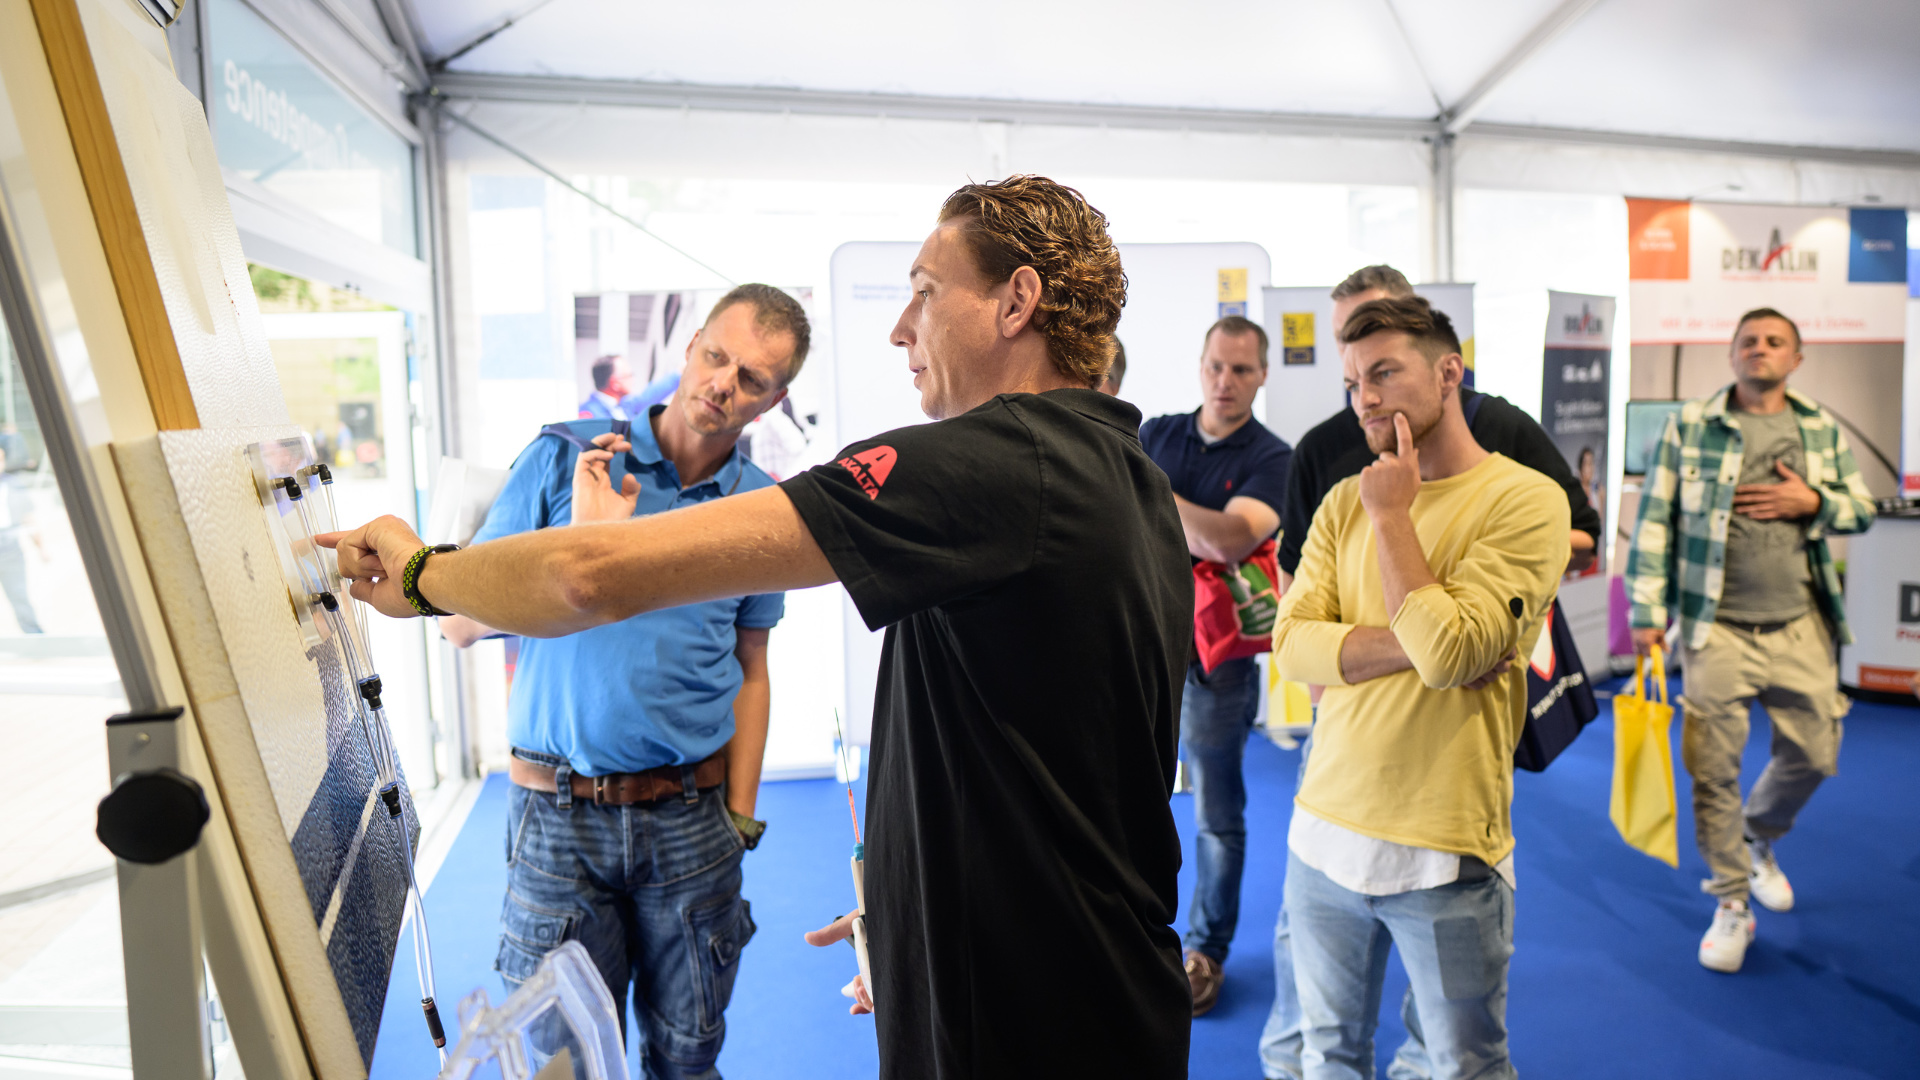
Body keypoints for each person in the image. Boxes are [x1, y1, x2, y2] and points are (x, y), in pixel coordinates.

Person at [322, 175, 1193, 1079]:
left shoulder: (995, 463)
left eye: (926, 293)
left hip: (1039, 1017)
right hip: (1067, 976)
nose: (902, 328)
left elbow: (587, 576)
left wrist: (423, 573)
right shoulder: (1122, 475)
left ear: (1017, 300)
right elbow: (1066, 751)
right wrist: (924, 911)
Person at [439, 284, 810, 1080]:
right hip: (556, 818)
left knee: (688, 1057)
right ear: (690, 348)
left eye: (751, 379)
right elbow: (460, 622)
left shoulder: (763, 510)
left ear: (776, 400)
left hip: (691, 817)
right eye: (716, 357)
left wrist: (739, 819)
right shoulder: (567, 458)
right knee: (562, 1066)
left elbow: (753, 667)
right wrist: (579, 546)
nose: (723, 385)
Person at [1260, 266, 1600, 1078]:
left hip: (1444, 852)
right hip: (1322, 833)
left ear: (1449, 370)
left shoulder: (1526, 502)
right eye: (1352, 384)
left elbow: (1450, 655)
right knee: (1326, 1054)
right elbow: (1293, 644)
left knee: (1459, 1065)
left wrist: (1393, 516)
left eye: (1384, 373)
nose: (1366, 399)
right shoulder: (1343, 496)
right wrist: (1420, 643)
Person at [1625, 307, 1874, 974]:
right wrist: (1645, 607)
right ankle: (1732, 900)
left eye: (1774, 342)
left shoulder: (1819, 427)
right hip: (1715, 630)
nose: (1759, 349)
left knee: (1815, 755)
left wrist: (1814, 503)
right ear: (1732, 354)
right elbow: (1654, 523)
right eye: (1748, 341)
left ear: (1796, 358)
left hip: (1801, 626)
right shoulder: (1691, 425)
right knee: (1713, 771)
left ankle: (1756, 835)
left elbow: (1863, 507)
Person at [1139, 316, 1291, 1015]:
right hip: (1137, 644)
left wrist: (1140, 489)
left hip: (1217, 664)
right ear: (1199, 365)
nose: (1225, 382)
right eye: (1215, 367)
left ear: (1261, 376)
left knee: (1216, 813)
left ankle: (1205, 951)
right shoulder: (1156, 433)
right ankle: (1135, 940)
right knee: (1126, 797)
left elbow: (1229, 540)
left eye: (1241, 370)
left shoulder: (1272, 458)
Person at [1276, 265, 1599, 590]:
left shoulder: (1500, 428)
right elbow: (1293, 613)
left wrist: (1497, 545)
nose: (1356, 344)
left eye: (1375, 323)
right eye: (1343, 334)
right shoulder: (1325, 464)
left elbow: (1455, 638)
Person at [0, 444, 45, 635]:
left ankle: (35, 637)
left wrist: (41, 547)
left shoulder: (13, 484)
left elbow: (29, 517)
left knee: (19, 595)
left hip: (9, 546)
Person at [578, 354, 633, 420]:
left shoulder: (624, 407)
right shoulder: (589, 413)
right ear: (615, 383)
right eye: (629, 375)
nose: (632, 380)